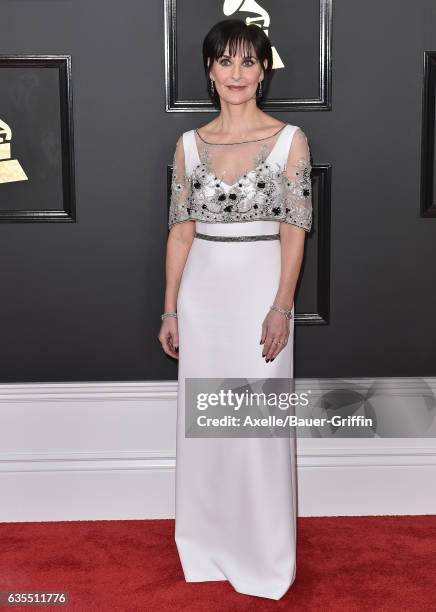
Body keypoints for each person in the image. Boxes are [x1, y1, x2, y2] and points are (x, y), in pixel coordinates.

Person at [158, 19, 313, 600]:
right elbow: (179, 232)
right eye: (226, 62)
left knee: (257, 426)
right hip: (203, 295)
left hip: (259, 292)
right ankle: (205, 543)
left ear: (264, 71)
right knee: (206, 426)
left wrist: (281, 306)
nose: (237, 74)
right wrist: (171, 309)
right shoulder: (188, 145)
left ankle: (265, 555)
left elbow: (295, 230)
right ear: (210, 71)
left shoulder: (290, 139)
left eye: (249, 62)